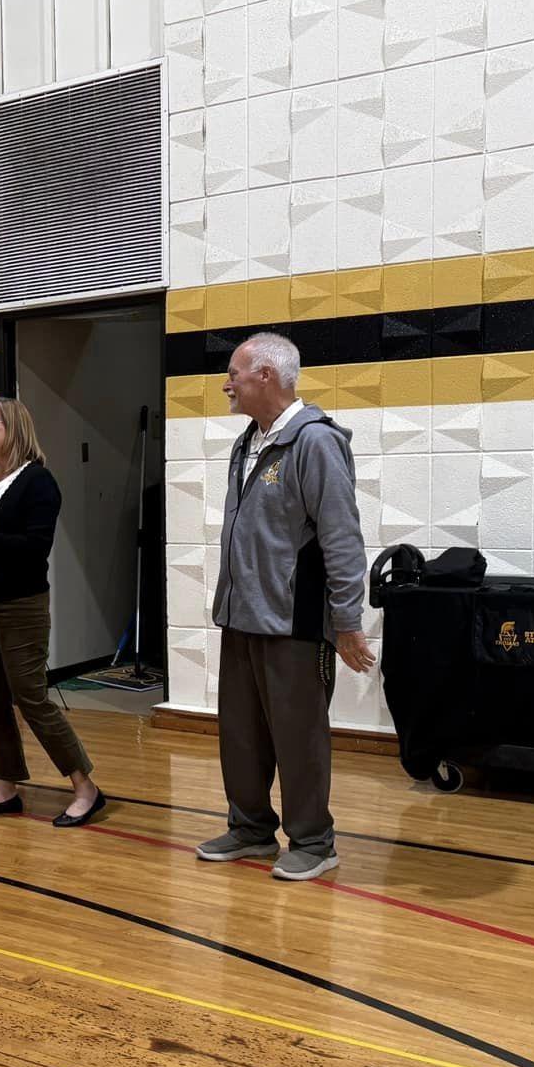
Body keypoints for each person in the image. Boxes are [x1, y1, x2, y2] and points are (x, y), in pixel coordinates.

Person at [197, 331, 375, 881]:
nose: (227, 384)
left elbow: (342, 539)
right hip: (241, 617)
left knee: (298, 738)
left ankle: (314, 843)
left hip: (294, 622)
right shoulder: (246, 441)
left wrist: (347, 623)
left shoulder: (315, 442)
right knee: (242, 735)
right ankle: (250, 828)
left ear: (267, 376)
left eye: (235, 374)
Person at [0, 397, 105, 827]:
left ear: (12, 429)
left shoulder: (38, 483)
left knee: (30, 697)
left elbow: (34, 548)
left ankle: (85, 787)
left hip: (20, 604)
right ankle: (5, 786)